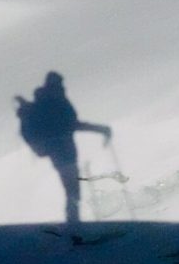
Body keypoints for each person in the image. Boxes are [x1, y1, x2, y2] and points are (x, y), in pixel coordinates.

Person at [16, 72, 111, 226]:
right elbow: (72, 124)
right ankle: (73, 225)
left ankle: (73, 223)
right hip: (64, 151)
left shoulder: (44, 103)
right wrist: (100, 129)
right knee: (72, 191)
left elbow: (69, 124)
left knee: (71, 190)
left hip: (58, 152)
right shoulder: (55, 102)